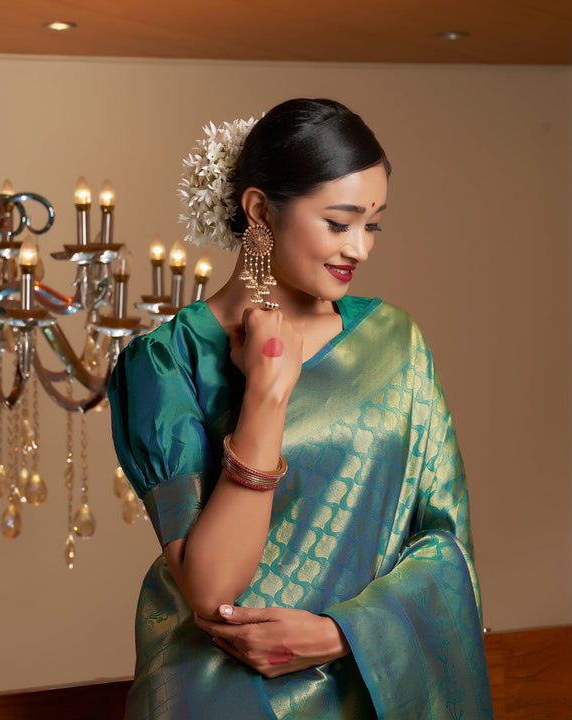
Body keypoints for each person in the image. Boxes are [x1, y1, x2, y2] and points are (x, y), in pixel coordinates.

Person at [108, 98, 492, 719]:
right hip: (219, 695)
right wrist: (266, 393)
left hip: (361, 688)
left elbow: (442, 542)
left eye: (373, 225)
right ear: (260, 211)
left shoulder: (396, 346)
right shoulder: (165, 361)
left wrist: (341, 634)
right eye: (339, 223)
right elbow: (210, 590)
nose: (360, 248)